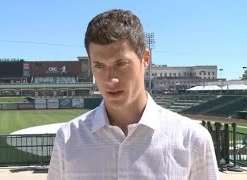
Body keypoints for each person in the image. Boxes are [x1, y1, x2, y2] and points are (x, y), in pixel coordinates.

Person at [47, 9, 219, 179]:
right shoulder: (68, 139)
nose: (110, 80)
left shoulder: (192, 140)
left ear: (145, 59)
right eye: (99, 66)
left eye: (121, 63)